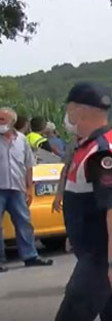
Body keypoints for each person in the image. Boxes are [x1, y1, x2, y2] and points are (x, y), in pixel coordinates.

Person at [54, 83, 112, 320]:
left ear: (80, 111)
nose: (67, 116)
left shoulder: (102, 153)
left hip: (102, 255)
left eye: (68, 109)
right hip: (103, 252)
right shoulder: (95, 145)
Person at [0, 107, 54, 273]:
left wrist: (29, 188)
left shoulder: (22, 140)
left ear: (12, 122)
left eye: (2, 119)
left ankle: (30, 256)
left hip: (17, 189)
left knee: (24, 222)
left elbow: (29, 165)